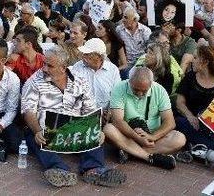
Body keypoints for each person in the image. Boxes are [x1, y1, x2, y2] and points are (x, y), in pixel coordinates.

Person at [21, 46, 125, 188]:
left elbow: (90, 110)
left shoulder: (80, 81)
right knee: (39, 138)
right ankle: (59, 171)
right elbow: (28, 111)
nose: (44, 68)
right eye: (44, 63)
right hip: (45, 129)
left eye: (49, 65)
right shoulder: (34, 82)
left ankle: (93, 170)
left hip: (73, 129)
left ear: (63, 68)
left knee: (93, 133)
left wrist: (97, 129)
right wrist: (37, 130)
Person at [104, 66, 186, 170]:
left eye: (144, 91)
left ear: (151, 84)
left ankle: (130, 151)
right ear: (129, 81)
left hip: (151, 137)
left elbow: (170, 122)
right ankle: (147, 157)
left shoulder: (160, 90)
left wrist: (152, 137)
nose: (139, 94)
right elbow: (118, 121)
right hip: (127, 135)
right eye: (135, 89)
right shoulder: (119, 88)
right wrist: (137, 137)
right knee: (108, 129)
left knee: (180, 138)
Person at [175, 46, 214, 150]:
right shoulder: (190, 77)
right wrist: (190, 116)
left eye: (195, 58)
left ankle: (208, 148)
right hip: (195, 123)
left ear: (205, 62)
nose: (192, 60)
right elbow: (179, 102)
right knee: (179, 122)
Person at [70, 38, 121, 109]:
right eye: (84, 53)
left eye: (88, 54)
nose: (83, 56)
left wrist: (111, 111)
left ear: (99, 57)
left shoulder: (112, 69)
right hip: (83, 113)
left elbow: (117, 95)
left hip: (107, 112)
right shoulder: (78, 67)